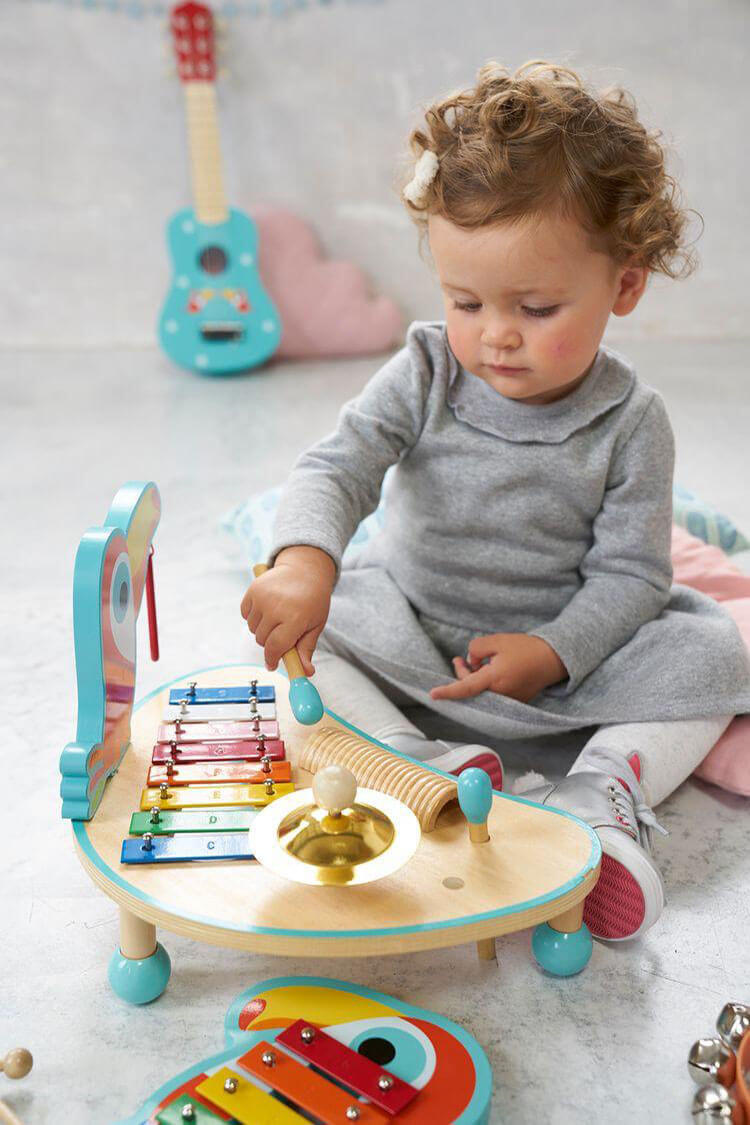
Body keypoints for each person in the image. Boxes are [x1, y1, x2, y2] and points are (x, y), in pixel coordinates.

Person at [240, 60, 750, 943]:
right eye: (466, 301)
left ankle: (601, 793)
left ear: (624, 285)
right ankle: (417, 767)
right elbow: (340, 464)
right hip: (412, 635)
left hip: (568, 656)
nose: (496, 334)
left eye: (537, 306)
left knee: (713, 653)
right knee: (302, 652)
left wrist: (551, 652)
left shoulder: (633, 422)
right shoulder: (428, 369)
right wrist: (304, 563)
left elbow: (633, 575)